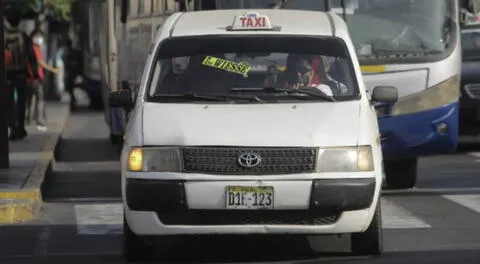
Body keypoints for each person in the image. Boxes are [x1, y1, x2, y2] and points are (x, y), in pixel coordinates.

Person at [5, 10, 38, 140]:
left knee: (9, 102)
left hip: (7, 74)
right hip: (20, 73)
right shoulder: (24, 36)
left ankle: (12, 127)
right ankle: (20, 128)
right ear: (19, 22)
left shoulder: (4, 36)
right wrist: (35, 74)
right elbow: (31, 56)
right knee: (21, 102)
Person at [26, 33, 60, 130]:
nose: (40, 39)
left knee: (29, 99)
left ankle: (29, 118)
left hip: (29, 78)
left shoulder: (28, 49)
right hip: (36, 79)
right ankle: (39, 119)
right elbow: (41, 63)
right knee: (40, 99)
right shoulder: (36, 49)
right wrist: (53, 70)